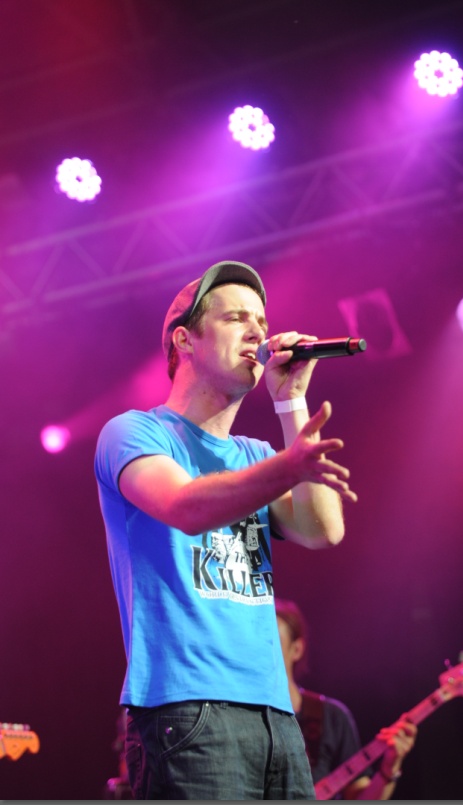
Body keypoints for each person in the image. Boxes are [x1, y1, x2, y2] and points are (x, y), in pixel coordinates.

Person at [94, 260, 358, 800]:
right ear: (185, 340)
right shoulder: (134, 432)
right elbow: (185, 506)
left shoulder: (255, 455)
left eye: (261, 321)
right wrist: (289, 466)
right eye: (237, 317)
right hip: (188, 709)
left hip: (276, 716)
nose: (257, 332)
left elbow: (322, 530)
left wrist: (291, 402)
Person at [275, 598, 418, 801]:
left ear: (296, 649)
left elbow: (359, 797)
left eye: (272, 641)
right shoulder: (237, 717)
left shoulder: (330, 717)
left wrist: (388, 768)